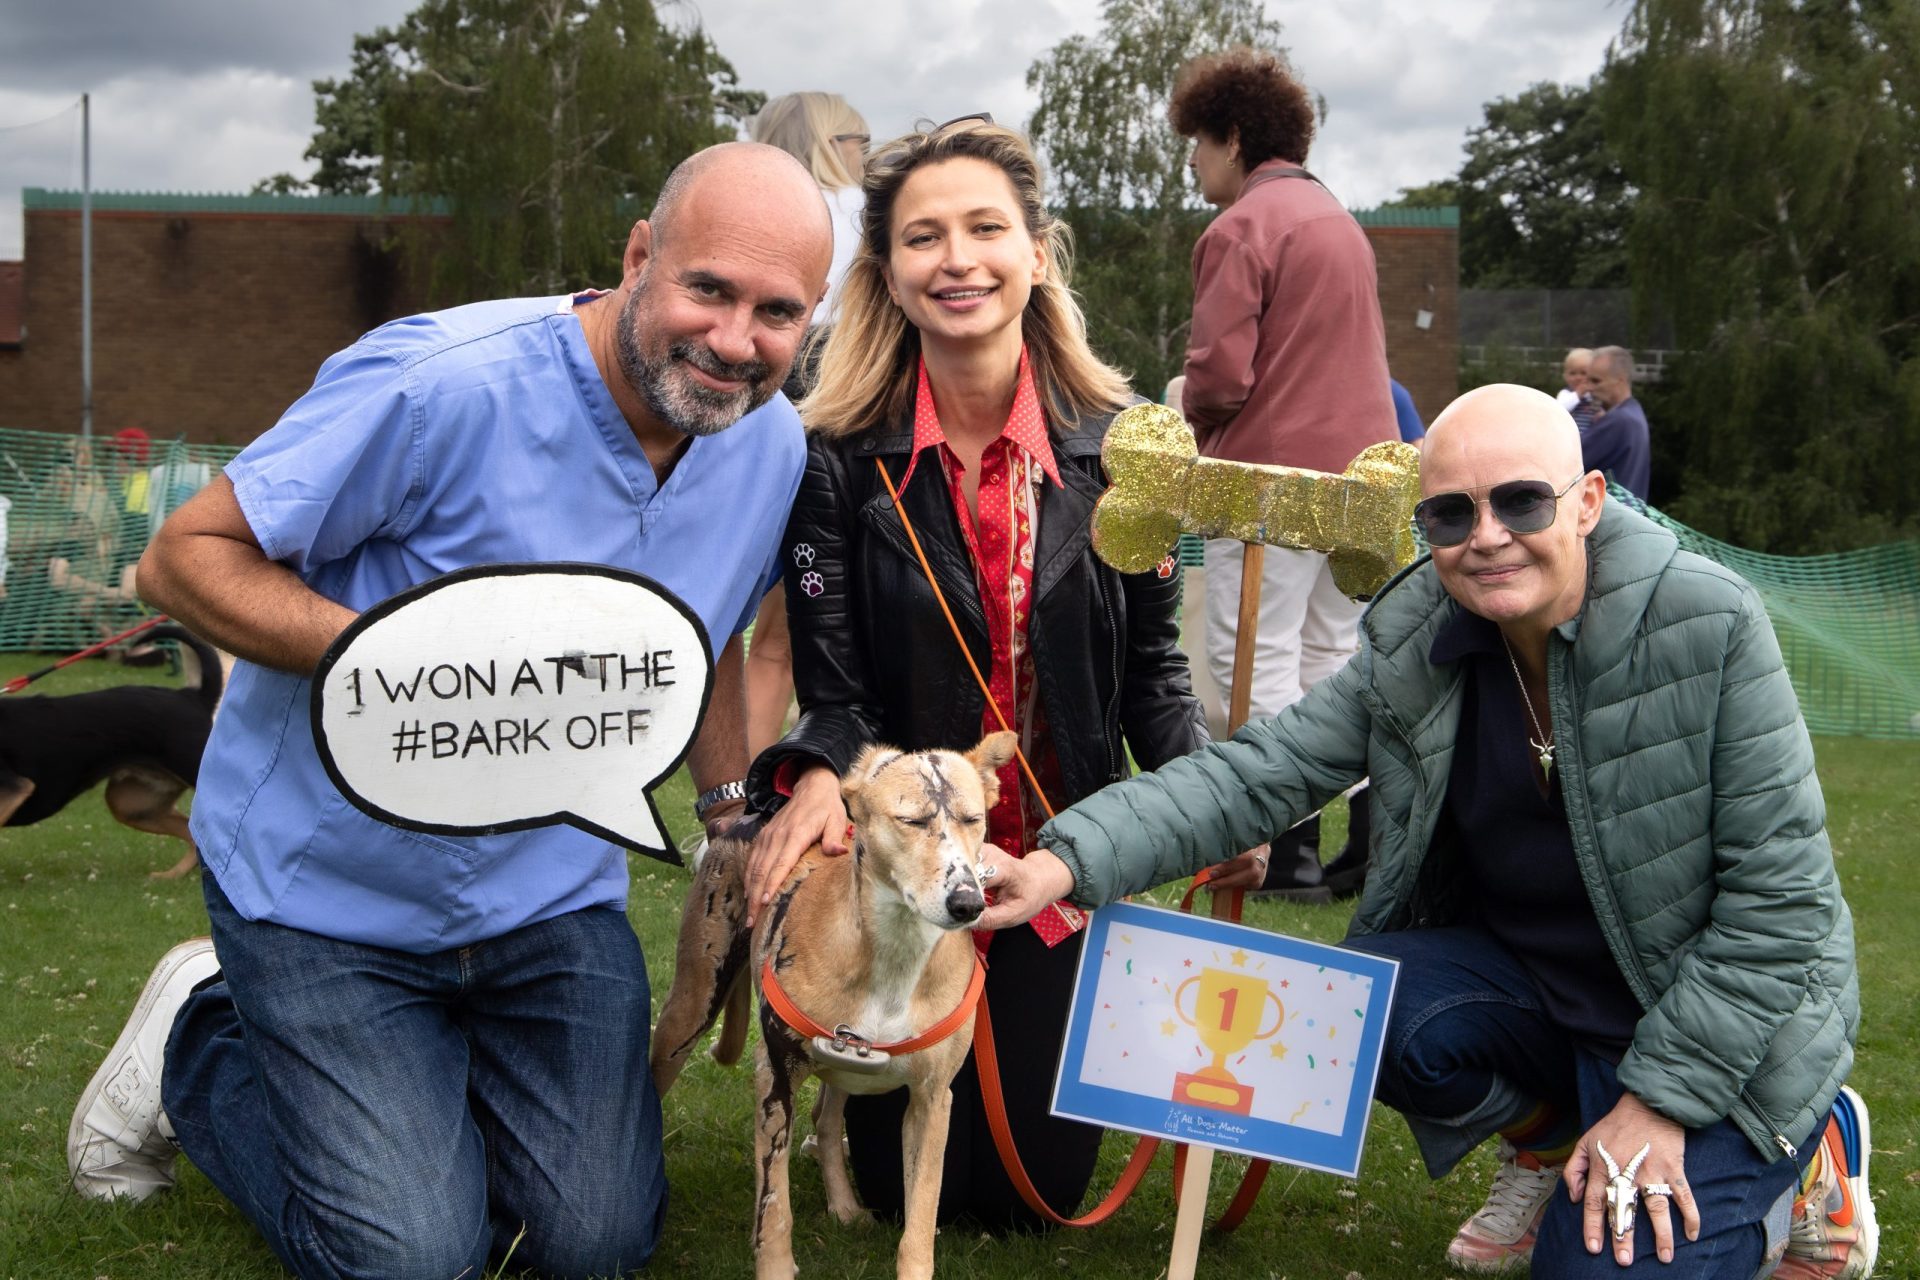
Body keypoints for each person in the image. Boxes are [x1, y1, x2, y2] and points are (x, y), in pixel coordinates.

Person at [66, 142, 833, 1280]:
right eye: (708, 288)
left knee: (593, 1244)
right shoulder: (438, 382)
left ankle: (415, 1109)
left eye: (777, 312)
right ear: (639, 257)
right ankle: (199, 1044)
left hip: (550, 896)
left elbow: (709, 631)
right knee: (415, 1259)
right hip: (327, 893)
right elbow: (182, 559)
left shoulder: (763, 443)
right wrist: (408, 660)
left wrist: (730, 814)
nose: (734, 339)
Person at [979, 384, 1874, 1279]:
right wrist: (1060, 863)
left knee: (1599, 1271)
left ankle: (1809, 1166)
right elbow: (1254, 774)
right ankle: (1555, 1141)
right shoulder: (1415, 637)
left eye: (1522, 501)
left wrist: (1662, 1102)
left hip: (1720, 1028)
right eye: (1450, 513)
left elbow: (1780, 908)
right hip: (1542, 994)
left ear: (1589, 501)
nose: (1486, 536)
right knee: (1352, 1009)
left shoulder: (1711, 623)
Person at [739, 117, 1241, 1230]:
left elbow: (1153, 671)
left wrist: (1214, 798)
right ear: (889, 275)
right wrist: (812, 774)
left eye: (985, 229)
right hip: (911, 870)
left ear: (1037, 254)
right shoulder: (834, 458)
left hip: (1063, 860)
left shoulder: (1127, 449)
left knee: (1028, 1194)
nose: (957, 259)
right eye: (924, 238)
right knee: (905, 1190)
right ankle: (845, 1113)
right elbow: (836, 690)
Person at [1171, 47, 1394, 899]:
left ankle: (1282, 849)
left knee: (1251, 661)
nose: (1194, 161)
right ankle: (1360, 848)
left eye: (1198, 142)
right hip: (1363, 484)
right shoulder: (1341, 222)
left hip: (1269, 482)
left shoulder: (1241, 227)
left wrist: (1190, 416)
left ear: (1232, 136)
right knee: (1332, 658)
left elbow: (1220, 380)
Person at [740, 92, 873, 769]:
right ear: (833, 143)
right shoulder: (866, 216)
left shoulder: (754, 218)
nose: (867, 154)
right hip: (858, 427)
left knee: (773, 641)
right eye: (860, 141)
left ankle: (742, 805)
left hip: (769, 432)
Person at [1584, 345, 1651, 499]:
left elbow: (1565, 462)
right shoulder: (1634, 414)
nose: (1589, 388)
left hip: (1608, 511)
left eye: (1596, 381)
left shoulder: (1619, 421)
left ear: (1620, 381)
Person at [1558, 347, 1602, 430]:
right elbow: (1560, 409)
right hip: (1571, 435)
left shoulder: (1597, 394)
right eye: (1572, 373)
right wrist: (1578, 393)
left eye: (1583, 373)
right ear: (1565, 376)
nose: (1578, 377)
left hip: (1593, 434)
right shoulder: (1566, 393)